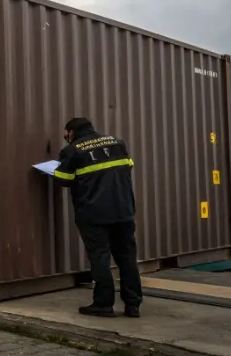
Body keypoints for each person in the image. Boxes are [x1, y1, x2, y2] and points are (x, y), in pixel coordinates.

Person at [53, 117, 143, 318]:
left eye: (67, 134)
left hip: (94, 215)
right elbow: (126, 169)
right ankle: (133, 305)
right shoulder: (117, 143)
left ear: (72, 133)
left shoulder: (73, 150)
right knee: (127, 258)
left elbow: (63, 179)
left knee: (100, 257)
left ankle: (103, 304)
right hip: (124, 211)